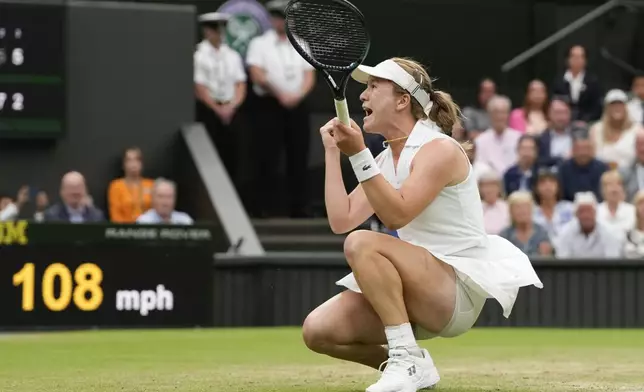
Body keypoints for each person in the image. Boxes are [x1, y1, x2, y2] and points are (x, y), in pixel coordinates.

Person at [301, 57, 543, 392]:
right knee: (317, 331)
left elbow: (398, 215)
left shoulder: (439, 149)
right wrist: (333, 152)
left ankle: (404, 358)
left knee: (361, 243)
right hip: (412, 291)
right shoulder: (386, 159)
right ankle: (411, 361)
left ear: (402, 100)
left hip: (453, 293)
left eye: (373, 87)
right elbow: (341, 219)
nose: (362, 96)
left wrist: (358, 154)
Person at [246, 0, 316, 217]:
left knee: (299, 155)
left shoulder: (301, 44)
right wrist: (280, 93)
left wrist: (297, 95)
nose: (281, 21)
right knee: (267, 155)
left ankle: (298, 207)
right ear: (270, 19)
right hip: (269, 105)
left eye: (285, 17)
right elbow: (257, 73)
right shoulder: (259, 44)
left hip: (296, 105)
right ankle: (263, 207)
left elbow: (309, 75)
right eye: (277, 17)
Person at [194, 12, 247, 185]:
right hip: (210, 110)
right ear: (206, 31)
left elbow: (240, 83)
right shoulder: (199, 55)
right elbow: (199, 86)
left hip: (231, 109)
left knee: (233, 154)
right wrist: (217, 109)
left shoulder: (232, 55)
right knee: (211, 152)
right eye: (214, 29)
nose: (218, 33)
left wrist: (232, 105)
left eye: (221, 29)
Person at [107, 147, 155, 223]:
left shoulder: (151, 185)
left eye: (137, 160)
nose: (133, 164)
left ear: (142, 164)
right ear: (123, 165)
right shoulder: (116, 186)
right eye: (129, 160)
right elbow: (115, 216)